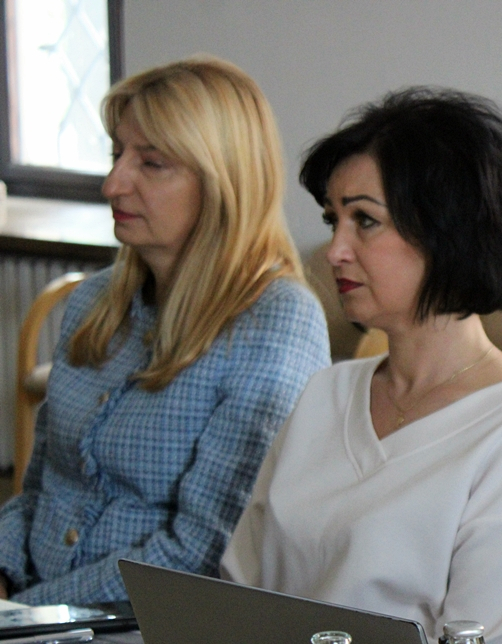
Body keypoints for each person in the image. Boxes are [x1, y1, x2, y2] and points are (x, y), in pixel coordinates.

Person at [219, 88, 502, 644]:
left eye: (364, 221)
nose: (334, 249)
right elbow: (241, 591)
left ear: (447, 230)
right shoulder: (327, 392)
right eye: (332, 220)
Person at [0, 57, 331, 605]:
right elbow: (39, 489)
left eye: (151, 163)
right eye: (117, 155)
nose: (112, 184)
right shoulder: (93, 301)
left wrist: (28, 615)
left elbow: (200, 552)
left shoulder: (275, 322)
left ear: (224, 182)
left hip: (142, 632)